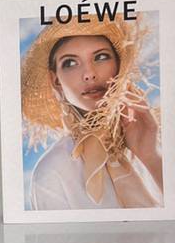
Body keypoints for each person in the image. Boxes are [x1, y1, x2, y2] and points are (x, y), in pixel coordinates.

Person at [21, 18, 164, 210]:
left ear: (119, 65)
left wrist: (150, 155)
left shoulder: (158, 140)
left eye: (101, 57)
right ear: (56, 81)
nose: (89, 73)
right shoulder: (52, 172)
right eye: (70, 63)